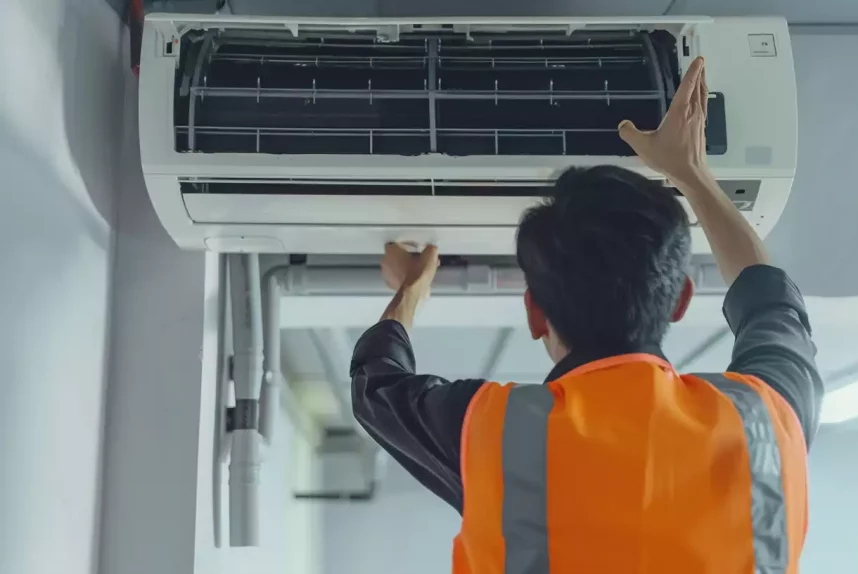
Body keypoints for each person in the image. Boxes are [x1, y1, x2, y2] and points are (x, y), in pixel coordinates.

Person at [350, 57, 822, 574]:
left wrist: (412, 287)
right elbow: (376, 387)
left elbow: (376, 387)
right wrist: (691, 173)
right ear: (681, 300)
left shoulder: (492, 431)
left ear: (535, 314)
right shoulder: (767, 420)